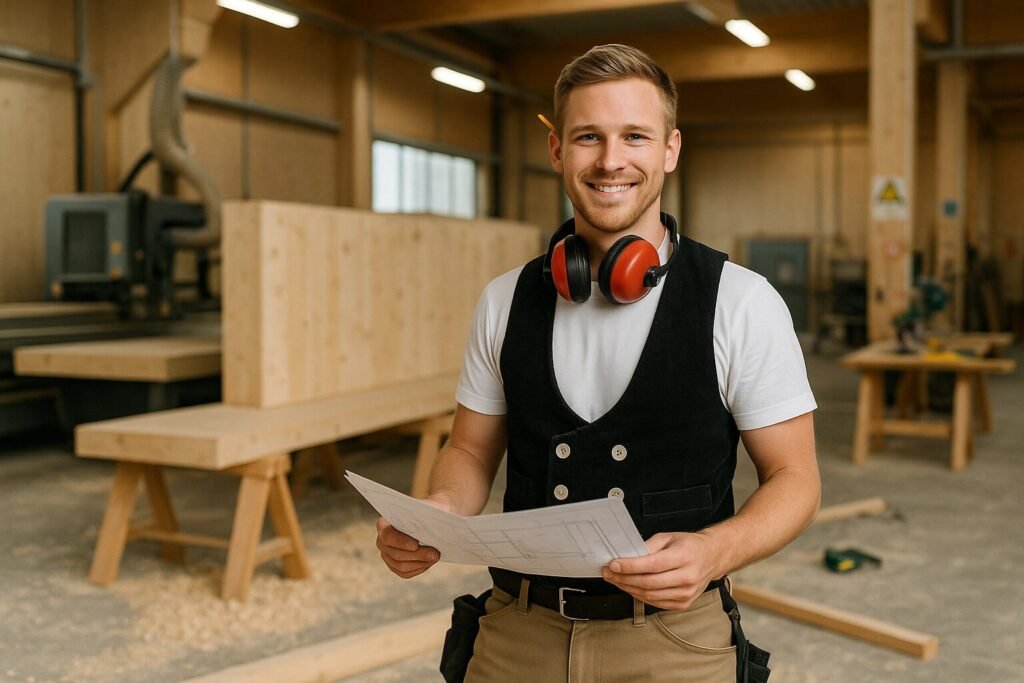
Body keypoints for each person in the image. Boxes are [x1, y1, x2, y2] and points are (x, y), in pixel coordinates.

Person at [376, 43, 820, 683]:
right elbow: (471, 452)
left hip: (673, 641)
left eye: (634, 136)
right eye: (589, 137)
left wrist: (714, 550)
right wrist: (441, 509)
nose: (611, 161)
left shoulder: (741, 302)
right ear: (557, 150)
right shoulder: (505, 300)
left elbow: (796, 479)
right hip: (515, 633)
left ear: (669, 149)